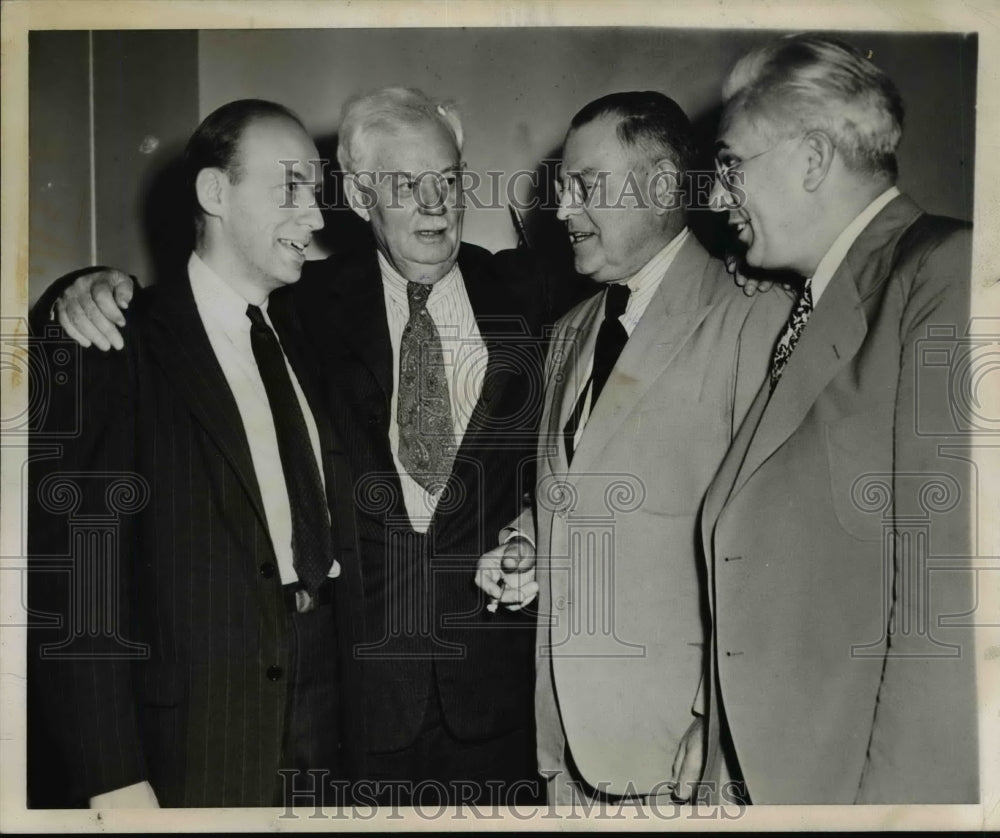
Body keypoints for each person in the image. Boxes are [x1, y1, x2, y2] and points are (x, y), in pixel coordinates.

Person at [40, 87, 548, 805]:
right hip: (349, 709)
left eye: (450, 181)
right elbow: (81, 574)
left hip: (480, 702)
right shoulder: (311, 305)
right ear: (364, 197)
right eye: (405, 185)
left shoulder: (526, 290)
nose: (435, 204)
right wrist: (77, 292)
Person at [28, 99, 367, 808]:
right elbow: (78, 580)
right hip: (193, 744)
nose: (314, 217)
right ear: (215, 193)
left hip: (327, 723)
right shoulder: (119, 344)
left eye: (317, 191)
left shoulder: (312, 334)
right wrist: (111, 777)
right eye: (291, 187)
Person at [477, 91, 792, 805]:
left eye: (586, 187)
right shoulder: (570, 329)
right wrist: (528, 541)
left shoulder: (755, 320)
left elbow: (775, 554)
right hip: (564, 750)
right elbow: (576, 486)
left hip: (681, 757)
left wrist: (717, 722)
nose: (561, 211)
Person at [696, 34, 978, 803]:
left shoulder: (946, 273)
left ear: (813, 159)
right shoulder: (820, 301)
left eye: (730, 167)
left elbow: (945, 600)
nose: (719, 199)